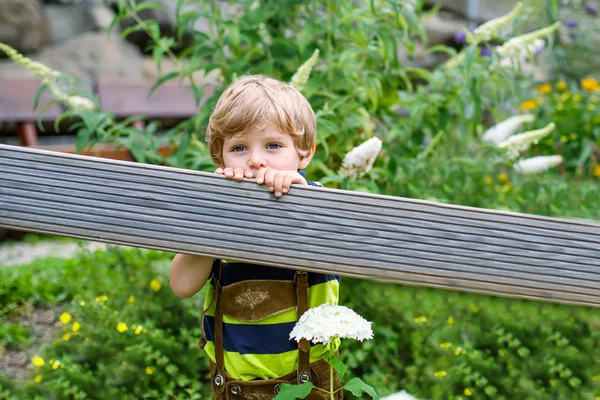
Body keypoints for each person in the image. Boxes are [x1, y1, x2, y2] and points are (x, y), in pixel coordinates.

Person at [170, 75, 341, 399]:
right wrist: (216, 215)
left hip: (308, 386)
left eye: (273, 146)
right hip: (234, 386)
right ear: (221, 159)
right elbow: (182, 285)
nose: (256, 159)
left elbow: (335, 237)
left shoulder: (317, 201)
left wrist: (300, 199)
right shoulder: (219, 217)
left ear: (304, 154)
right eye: (239, 148)